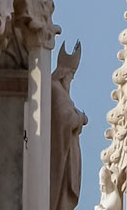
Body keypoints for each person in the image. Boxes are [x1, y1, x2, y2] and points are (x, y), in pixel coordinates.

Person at [50, 41, 86, 210]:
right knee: (61, 196)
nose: (72, 79)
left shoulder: (60, 91)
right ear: (64, 73)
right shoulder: (55, 89)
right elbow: (67, 118)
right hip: (61, 158)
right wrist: (81, 118)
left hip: (66, 153)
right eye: (72, 75)